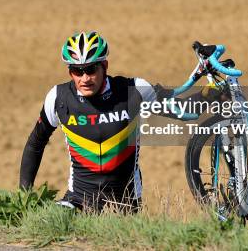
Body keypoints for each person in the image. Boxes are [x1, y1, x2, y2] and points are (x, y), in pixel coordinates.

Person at [19, 31, 219, 213]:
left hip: (124, 206)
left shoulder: (134, 90)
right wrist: (24, 195)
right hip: (78, 201)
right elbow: (36, 143)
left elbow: (184, 112)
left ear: (105, 66)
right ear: (70, 71)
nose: (85, 78)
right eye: (77, 71)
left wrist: (212, 93)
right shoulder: (58, 98)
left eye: (91, 69)